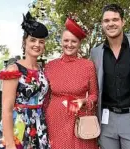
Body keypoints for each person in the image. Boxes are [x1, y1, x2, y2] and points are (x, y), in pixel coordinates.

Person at [90, 4, 130, 149]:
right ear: (102, 24)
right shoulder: (95, 53)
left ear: (123, 22)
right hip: (106, 119)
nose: (111, 24)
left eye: (115, 19)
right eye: (106, 20)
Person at [0, 12, 50, 149]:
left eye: (41, 42)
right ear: (24, 42)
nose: (37, 45)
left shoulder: (41, 70)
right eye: (33, 40)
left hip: (39, 126)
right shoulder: (14, 69)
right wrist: (10, 144)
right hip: (18, 126)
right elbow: (6, 110)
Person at [44, 16, 98, 149]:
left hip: (80, 118)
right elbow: (45, 97)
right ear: (61, 42)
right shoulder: (50, 66)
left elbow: (94, 95)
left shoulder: (88, 65)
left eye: (74, 41)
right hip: (56, 119)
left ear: (79, 43)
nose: (69, 44)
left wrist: (83, 101)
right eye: (66, 40)